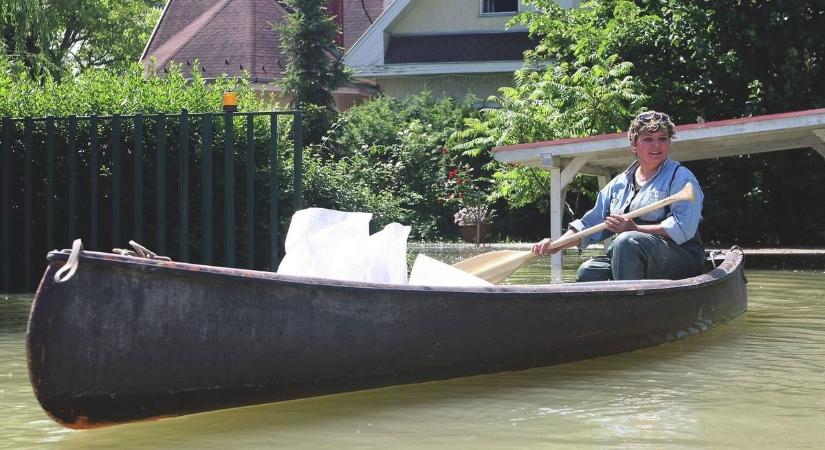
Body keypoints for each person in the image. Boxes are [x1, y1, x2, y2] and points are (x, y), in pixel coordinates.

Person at [531, 111, 705, 281]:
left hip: (681, 258)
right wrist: (556, 244)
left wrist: (635, 229)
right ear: (634, 145)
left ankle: (628, 304)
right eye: (648, 139)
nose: (656, 145)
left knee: (626, 241)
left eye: (662, 138)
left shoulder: (682, 178)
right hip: (630, 255)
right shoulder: (619, 183)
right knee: (588, 271)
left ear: (669, 143)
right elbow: (589, 224)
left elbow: (683, 228)